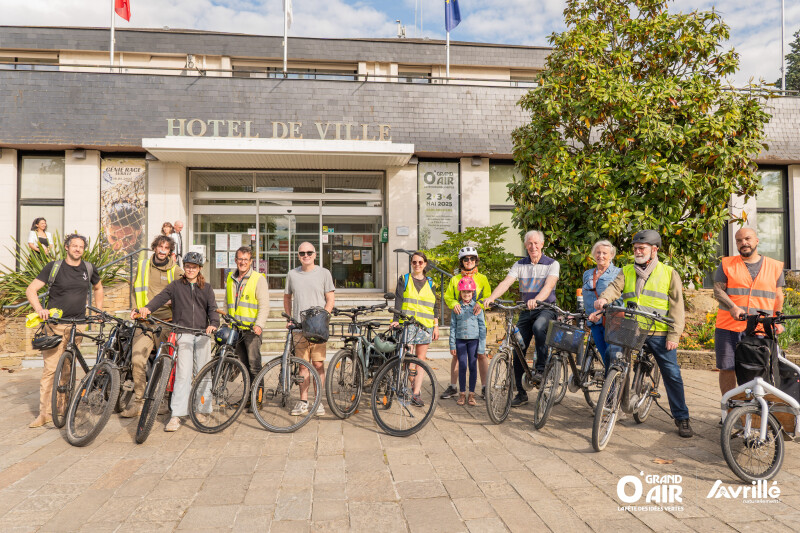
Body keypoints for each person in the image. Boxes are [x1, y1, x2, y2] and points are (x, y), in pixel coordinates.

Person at [591, 229, 693, 438]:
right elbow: (614, 288)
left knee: (672, 373)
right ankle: (613, 404)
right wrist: (604, 298)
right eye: (635, 248)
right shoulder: (626, 270)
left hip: (658, 330)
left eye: (642, 248)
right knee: (615, 357)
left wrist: (674, 336)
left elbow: (677, 307)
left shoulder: (668, 273)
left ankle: (682, 418)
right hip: (632, 328)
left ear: (654, 250)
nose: (637, 251)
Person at [25, 233, 103, 428]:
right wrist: (39, 310)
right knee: (50, 369)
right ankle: (44, 413)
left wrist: (99, 310)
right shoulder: (54, 267)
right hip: (55, 325)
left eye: (81, 246)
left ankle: (63, 409)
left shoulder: (88, 268)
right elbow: (31, 290)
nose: (78, 249)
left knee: (67, 370)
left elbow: (99, 288)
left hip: (77, 325)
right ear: (67, 247)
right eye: (74, 245)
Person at [137, 251, 218, 432]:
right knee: (183, 373)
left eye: (194, 267)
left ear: (199, 269)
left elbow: (212, 309)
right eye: (188, 266)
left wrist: (213, 324)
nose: (190, 269)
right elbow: (159, 298)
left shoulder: (207, 288)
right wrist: (147, 308)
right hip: (183, 333)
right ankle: (177, 414)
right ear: (184, 267)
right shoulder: (175, 286)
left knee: (203, 373)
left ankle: (202, 409)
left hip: (202, 334)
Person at [484, 230, 560, 408]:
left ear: (542, 245)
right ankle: (521, 392)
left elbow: (549, 286)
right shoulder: (520, 264)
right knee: (517, 346)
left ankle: (541, 369)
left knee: (539, 327)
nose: (533, 247)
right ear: (526, 246)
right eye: (529, 244)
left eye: (536, 243)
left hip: (545, 309)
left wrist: (538, 299)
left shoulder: (552, 264)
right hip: (526, 310)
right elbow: (506, 282)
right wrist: (492, 298)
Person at [713, 227, 784, 397]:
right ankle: (729, 410)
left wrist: (778, 320)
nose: (743, 243)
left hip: (760, 328)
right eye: (739, 240)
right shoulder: (727, 264)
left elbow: (778, 296)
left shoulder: (775, 266)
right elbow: (718, 290)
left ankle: (754, 410)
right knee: (727, 368)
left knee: (758, 371)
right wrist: (732, 307)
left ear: (756, 240)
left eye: (747, 238)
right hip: (728, 326)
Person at [121, 235, 183, 418]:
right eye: (160, 246)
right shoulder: (143, 266)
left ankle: (162, 400)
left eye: (166, 247)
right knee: (137, 360)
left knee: (165, 364)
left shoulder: (177, 271)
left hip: (167, 323)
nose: (162, 250)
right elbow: (135, 289)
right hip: (145, 323)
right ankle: (138, 402)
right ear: (154, 248)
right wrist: (135, 308)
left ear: (170, 251)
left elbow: (186, 293)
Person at [284, 242, 335, 417]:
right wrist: (290, 318)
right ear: (298, 255)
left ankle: (318, 401)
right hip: (299, 327)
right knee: (302, 366)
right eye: (302, 253)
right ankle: (303, 401)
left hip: (318, 328)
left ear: (315, 254)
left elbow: (330, 299)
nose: (306, 255)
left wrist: (323, 317)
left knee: (318, 365)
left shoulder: (324, 273)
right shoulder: (292, 274)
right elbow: (287, 297)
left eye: (309, 252)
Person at [441, 246, 492, 400]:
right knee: (457, 355)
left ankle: (484, 387)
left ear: (476, 261)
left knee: (481, 355)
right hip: (461, 320)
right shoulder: (454, 279)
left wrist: (481, 304)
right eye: (465, 259)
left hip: (476, 322)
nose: (469, 261)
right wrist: (453, 304)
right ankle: (453, 386)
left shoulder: (482, 278)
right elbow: (448, 296)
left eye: (472, 259)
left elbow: (488, 295)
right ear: (461, 262)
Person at [391, 251, 440, 406]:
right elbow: (398, 299)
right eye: (414, 262)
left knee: (421, 360)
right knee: (407, 357)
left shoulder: (431, 282)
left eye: (420, 262)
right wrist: (395, 320)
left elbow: (435, 306)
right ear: (411, 264)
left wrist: (435, 326)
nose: (417, 265)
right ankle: (410, 381)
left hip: (425, 326)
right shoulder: (404, 279)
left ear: (425, 264)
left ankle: (416, 394)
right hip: (408, 324)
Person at [226, 245, 269, 408]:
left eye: (246, 259)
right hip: (236, 329)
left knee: (254, 366)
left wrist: (259, 325)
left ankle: (257, 400)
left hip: (252, 329)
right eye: (240, 259)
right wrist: (228, 320)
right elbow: (227, 300)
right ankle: (247, 398)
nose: (242, 262)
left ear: (251, 261)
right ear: (235, 260)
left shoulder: (258, 278)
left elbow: (264, 305)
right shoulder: (231, 278)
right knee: (243, 367)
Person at [582, 240, 622, 371]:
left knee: (611, 355)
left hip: (612, 322)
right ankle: (610, 384)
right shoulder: (587, 274)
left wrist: (600, 312)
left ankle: (612, 386)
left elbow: (620, 299)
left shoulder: (618, 273)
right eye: (598, 252)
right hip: (594, 322)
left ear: (611, 255)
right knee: (605, 356)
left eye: (605, 253)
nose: (601, 256)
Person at [448, 277, 487, 407]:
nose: (466, 295)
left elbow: (482, 327)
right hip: (460, 340)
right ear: (460, 293)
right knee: (463, 366)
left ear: (473, 293)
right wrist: (452, 344)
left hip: (474, 341)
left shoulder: (477, 308)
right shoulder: (456, 308)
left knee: (472, 366)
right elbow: (452, 326)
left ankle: (471, 394)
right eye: (464, 292)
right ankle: (462, 393)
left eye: (469, 292)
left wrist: (481, 346)